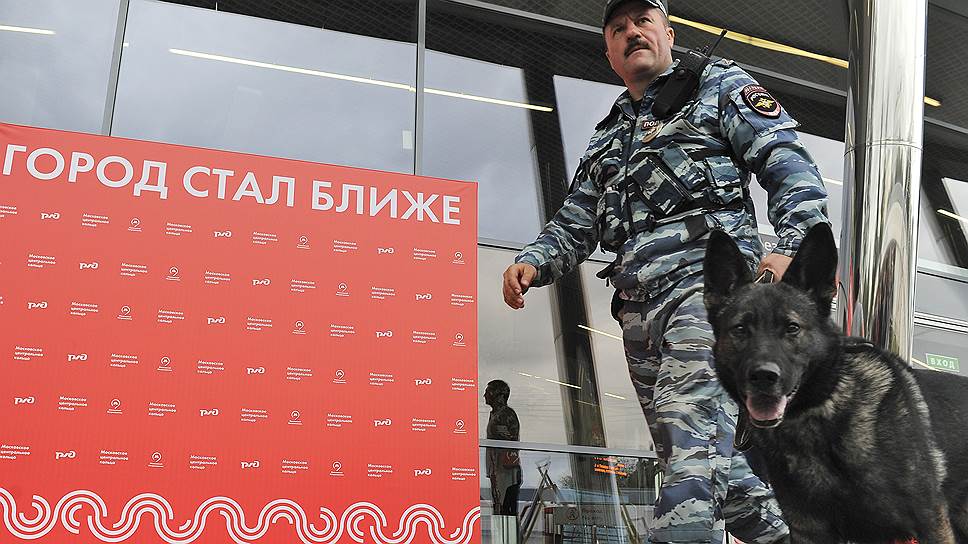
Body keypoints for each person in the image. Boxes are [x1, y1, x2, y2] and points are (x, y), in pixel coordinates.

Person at [501, 1, 830, 543]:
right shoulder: (609, 135)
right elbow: (578, 218)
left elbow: (785, 160)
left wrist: (792, 245)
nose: (632, 32)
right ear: (609, 52)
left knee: (689, 447)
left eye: (643, 21)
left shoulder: (717, 86)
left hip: (709, 298)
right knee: (709, 466)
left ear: (669, 34)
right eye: (619, 28)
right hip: (639, 314)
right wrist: (533, 260)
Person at [483, 380, 522, 516]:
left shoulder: (505, 414)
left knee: (505, 511)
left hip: (506, 472)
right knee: (499, 509)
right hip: (497, 470)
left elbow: (508, 440)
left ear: (499, 395)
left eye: (488, 392)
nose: (484, 395)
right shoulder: (495, 414)